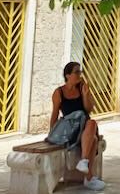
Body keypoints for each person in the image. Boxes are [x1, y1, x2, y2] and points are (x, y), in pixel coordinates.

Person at [50, 62, 105, 191]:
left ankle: (85, 165)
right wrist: (52, 133)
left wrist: (86, 95)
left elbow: (89, 109)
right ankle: (89, 177)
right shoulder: (59, 93)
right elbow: (54, 114)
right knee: (94, 138)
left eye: (80, 72)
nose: (80, 74)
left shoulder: (82, 88)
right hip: (70, 129)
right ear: (67, 75)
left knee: (91, 125)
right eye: (76, 72)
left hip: (85, 128)